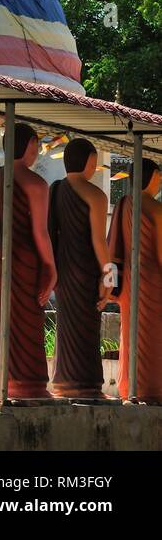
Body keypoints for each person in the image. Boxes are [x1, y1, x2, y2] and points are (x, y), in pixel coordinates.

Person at [0, 122, 55, 399]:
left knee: (8, 319)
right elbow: (41, 232)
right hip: (27, 258)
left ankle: (7, 379)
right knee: (30, 321)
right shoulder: (35, 183)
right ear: (30, 145)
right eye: (36, 144)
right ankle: (29, 383)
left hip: (2, 257)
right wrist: (51, 267)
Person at [48, 138, 110, 400]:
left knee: (66, 327)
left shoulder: (56, 189)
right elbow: (99, 240)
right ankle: (86, 384)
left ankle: (64, 381)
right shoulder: (95, 194)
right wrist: (109, 277)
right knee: (87, 329)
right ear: (89, 162)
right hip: (86, 270)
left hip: (63, 268)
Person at [107, 159, 162, 403]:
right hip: (153, 278)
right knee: (153, 338)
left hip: (130, 278)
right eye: (159, 176)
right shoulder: (156, 209)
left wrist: (109, 280)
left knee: (130, 334)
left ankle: (129, 384)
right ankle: (151, 387)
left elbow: (113, 245)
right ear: (152, 177)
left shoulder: (124, 204)